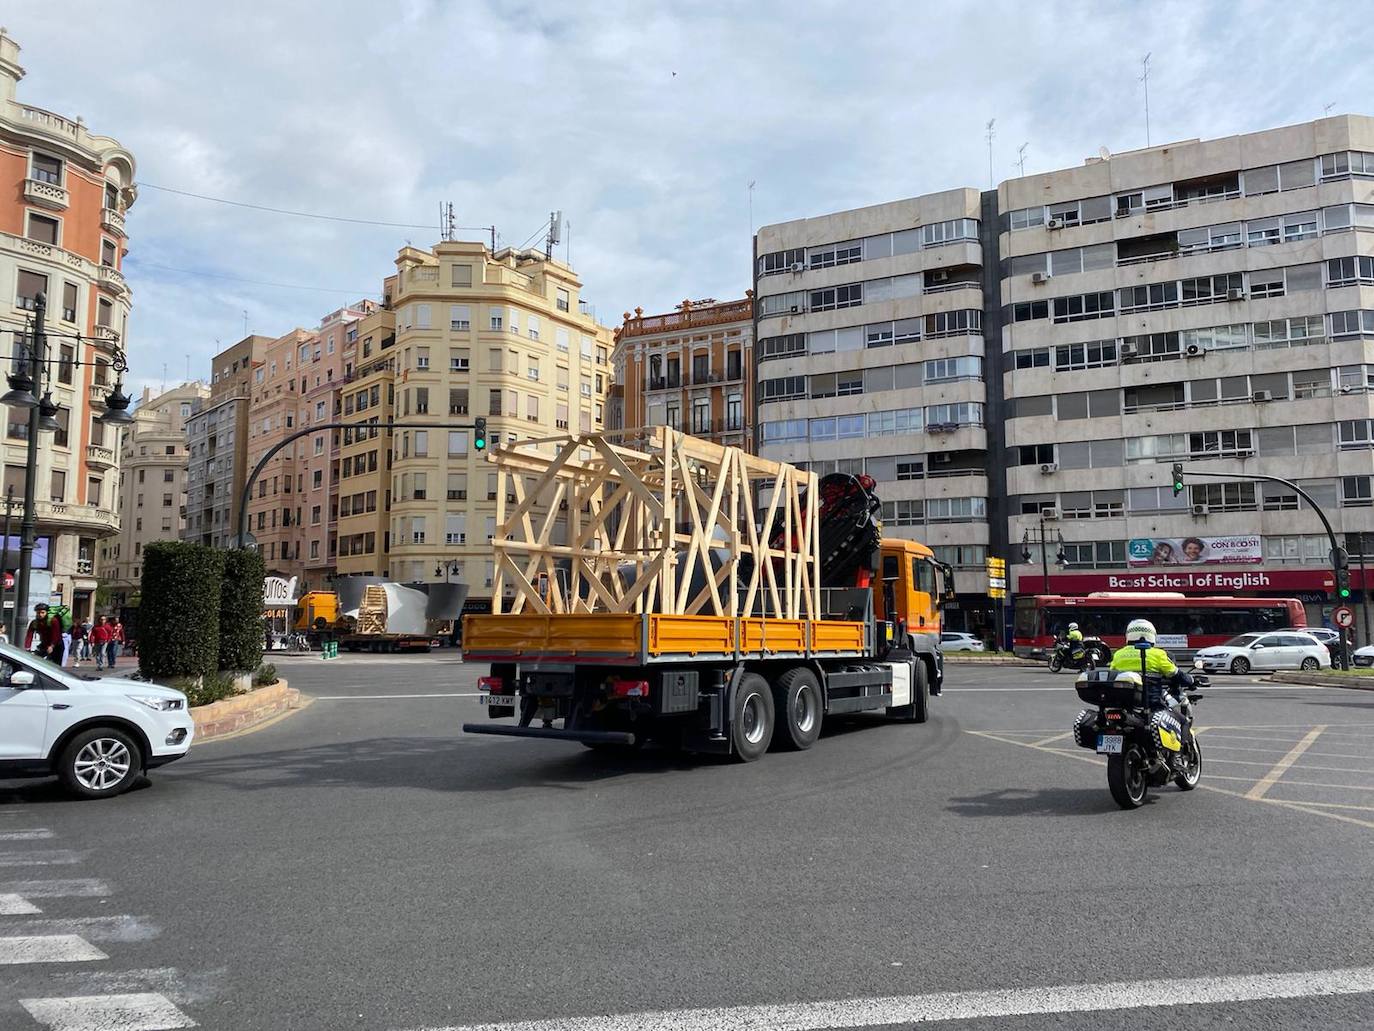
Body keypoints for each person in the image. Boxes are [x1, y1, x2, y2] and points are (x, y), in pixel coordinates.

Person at [1108, 618, 1196, 757]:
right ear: (1151, 635)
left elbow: (1113, 673)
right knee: (1183, 721)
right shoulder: (1158, 654)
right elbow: (1175, 674)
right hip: (1152, 705)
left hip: (1126, 706)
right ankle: (1179, 755)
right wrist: (1191, 680)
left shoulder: (1118, 654)